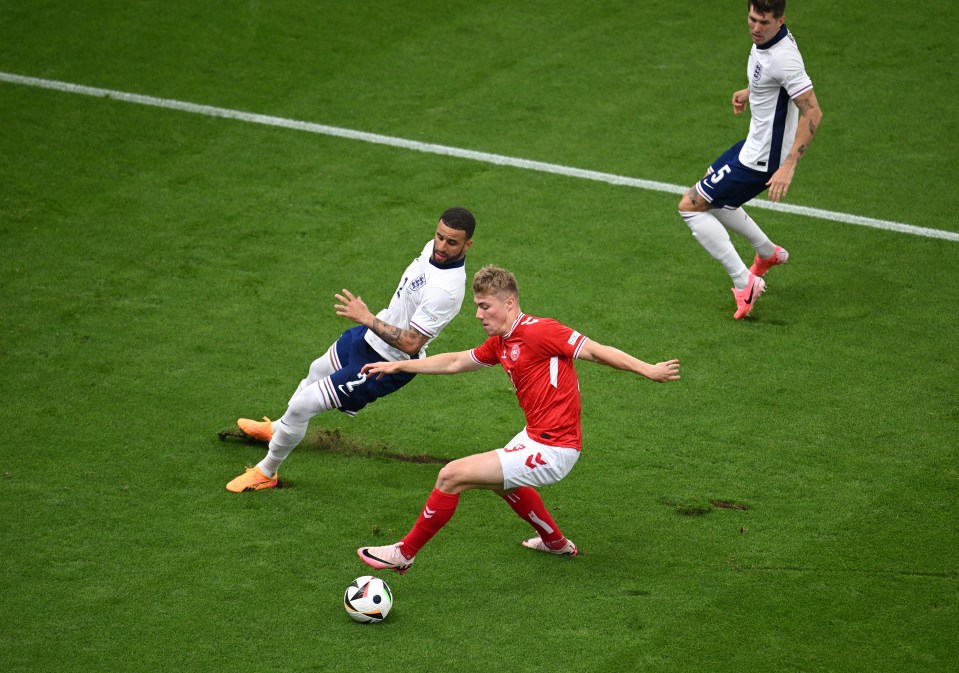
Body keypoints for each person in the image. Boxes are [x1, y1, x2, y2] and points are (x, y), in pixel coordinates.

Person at [356, 265, 680, 573]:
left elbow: (596, 351)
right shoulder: (501, 342)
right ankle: (556, 543)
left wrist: (648, 369)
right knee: (501, 484)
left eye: (485, 307)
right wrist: (399, 365)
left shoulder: (542, 331)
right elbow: (456, 361)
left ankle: (404, 554)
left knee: (451, 475)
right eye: (477, 307)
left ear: (509, 303)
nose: (479, 315)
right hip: (534, 436)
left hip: (555, 448)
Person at [227, 207, 476, 492]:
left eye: (452, 242)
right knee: (315, 371)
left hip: (385, 364)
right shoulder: (432, 249)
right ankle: (278, 430)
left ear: (467, 245)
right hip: (368, 336)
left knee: (301, 406)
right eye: (439, 236)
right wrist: (369, 323)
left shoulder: (446, 290)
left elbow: (411, 343)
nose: (441, 247)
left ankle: (266, 472)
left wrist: (367, 317)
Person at [677, 0, 823, 319]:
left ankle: (745, 282)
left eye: (764, 22)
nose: (756, 27)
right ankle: (768, 253)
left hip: (762, 159)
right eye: (752, 19)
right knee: (712, 192)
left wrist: (789, 165)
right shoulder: (770, 43)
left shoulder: (785, 58)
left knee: (689, 206)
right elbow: (773, 82)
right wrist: (751, 92)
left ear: (780, 21)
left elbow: (813, 111)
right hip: (753, 145)